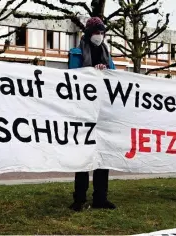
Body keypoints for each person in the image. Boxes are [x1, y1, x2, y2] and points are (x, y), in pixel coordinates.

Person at [67, 17, 116, 211]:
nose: (100, 36)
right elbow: (73, 75)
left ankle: (100, 198)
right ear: (88, 33)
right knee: (83, 155)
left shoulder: (107, 55)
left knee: (102, 155)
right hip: (83, 112)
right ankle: (79, 198)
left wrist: (105, 71)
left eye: (102, 33)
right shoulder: (76, 53)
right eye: (97, 32)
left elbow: (113, 77)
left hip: (102, 112)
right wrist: (91, 72)